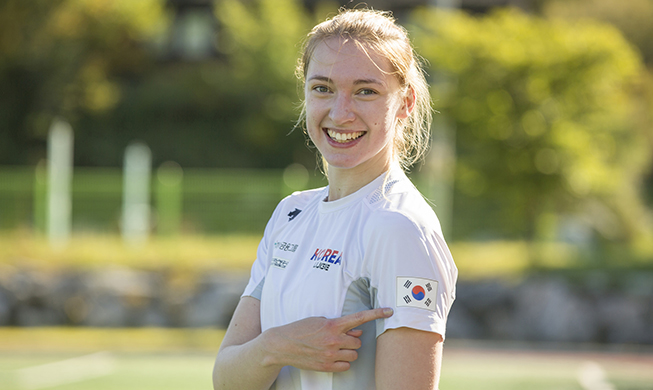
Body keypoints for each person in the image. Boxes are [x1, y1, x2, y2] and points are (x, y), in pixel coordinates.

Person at [213, 8, 457, 390]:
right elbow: (226, 379)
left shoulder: (400, 226)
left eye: (366, 91)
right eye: (322, 88)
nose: (340, 113)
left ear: (405, 103)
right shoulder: (290, 213)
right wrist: (276, 347)